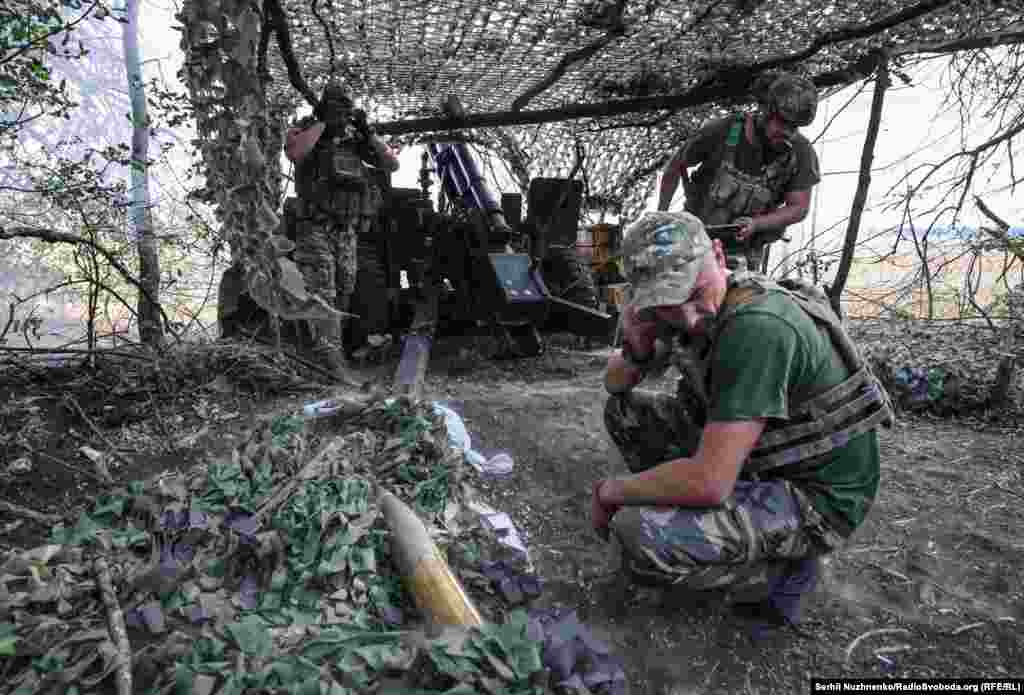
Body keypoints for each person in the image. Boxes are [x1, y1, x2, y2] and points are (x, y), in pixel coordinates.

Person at [594, 211, 892, 628]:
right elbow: (615, 383)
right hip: (765, 457)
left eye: (694, 292)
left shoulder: (758, 327)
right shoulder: (689, 304)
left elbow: (709, 482)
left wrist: (613, 491)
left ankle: (782, 572)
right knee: (627, 414)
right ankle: (720, 527)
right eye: (667, 305)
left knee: (637, 533)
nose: (690, 318)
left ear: (719, 254)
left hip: (816, 495)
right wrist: (639, 348)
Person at [284, 79, 400, 375]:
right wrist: (322, 124)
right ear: (323, 106)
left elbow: (390, 164)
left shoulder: (354, 137)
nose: (342, 113)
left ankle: (334, 352)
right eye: (336, 106)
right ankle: (332, 362)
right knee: (323, 290)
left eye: (346, 107)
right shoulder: (307, 129)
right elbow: (296, 153)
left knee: (345, 287)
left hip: (346, 228)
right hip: (315, 227)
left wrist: (366, 130)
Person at [656, 73, 821, 272]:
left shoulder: (800, 152)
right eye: (783, 123)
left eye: (794, 127)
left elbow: (799, 207)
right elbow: (675, 167)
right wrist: (661, 217)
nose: (788, 132)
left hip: (743, 256)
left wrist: (757, 224)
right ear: (766, 110)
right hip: (693, 245)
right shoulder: (722, 131)